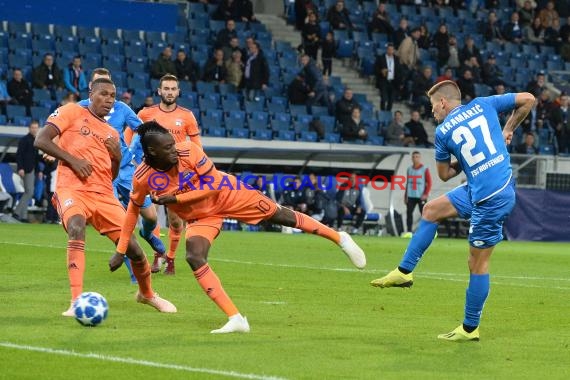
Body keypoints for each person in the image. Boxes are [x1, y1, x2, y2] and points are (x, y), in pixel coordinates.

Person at [109, 121, 366, 333]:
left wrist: (175, 199)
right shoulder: (143, 176)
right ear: (152, 152)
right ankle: (236, 319)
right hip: (201, 219)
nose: (174, 149)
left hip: (229, 194)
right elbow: (132, 211)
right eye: (167, 147)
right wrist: (121, 250)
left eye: (173, 143)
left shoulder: (189, 150)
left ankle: (339, 237)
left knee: (281, 216)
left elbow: (212, 185)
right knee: (194, 256)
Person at [371, 80, 535, 342]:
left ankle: (470, 329)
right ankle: (404, 272)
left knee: (477, 263)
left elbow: (445, 174)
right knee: (431, 210)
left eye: (433, 105)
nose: (432, 111)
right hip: (485, 187)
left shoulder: (443, 131)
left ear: (444, 102)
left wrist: (462, 160)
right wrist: (508, 129)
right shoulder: (484, 103)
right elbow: (528, 98)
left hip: (490, 198)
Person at [34, 78, 177, 316]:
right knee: (77, 227)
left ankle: (147, 294)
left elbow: (109, 176)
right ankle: (76, 300)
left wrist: (117, 158)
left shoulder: (111, 133)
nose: (108, 99)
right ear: (91, 93)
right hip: (72, 189)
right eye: (103, 94)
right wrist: (73, 160)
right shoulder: (71, 111)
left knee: (134, 251)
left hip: (103, 195)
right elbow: (41, 139)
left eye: (112, 95)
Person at [78, 68, 165, 283]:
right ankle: (135, 272)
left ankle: (148, 235)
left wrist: (142, 149)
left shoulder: (122, 109)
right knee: (120, 223)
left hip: (126, 170)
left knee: (151, 217)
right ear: (91, 88)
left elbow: (142, 129)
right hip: (103, 175)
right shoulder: (79, 109)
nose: (107, 96)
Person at [137, 74, 202, 275]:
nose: (170, 92)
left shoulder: (187, 116)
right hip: (152, 171)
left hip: (177, 173)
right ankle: (158, 255)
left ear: (178, 91)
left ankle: (171, 259)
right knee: (152, 215)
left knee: (175, 220)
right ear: (159, 91)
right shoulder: (146, 114)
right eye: (166, 88)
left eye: (173, 89)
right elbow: (131, 135)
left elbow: (196, 146)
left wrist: (197, 168)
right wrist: (133, 156)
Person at [13, 120, 41, 222]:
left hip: (32, 169)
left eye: (36, 127)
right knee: (29, 192)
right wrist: (20, 168)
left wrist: (39, 171)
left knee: (28, 192)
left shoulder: (36, 140)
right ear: (29, 128)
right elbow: (19, 155)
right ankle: (17, 212)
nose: (34, 129)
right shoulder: (24, 140)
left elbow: (36, 158)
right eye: (33, 127)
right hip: (26, 169)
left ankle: (23, 216)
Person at [404, 151, 432, 233]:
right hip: (411, 195)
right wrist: (405, 196)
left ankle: (426, 231)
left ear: (420, 158)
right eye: (413, 157)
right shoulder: (409, 169)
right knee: (409, 214)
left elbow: (429, 182)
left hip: (421, 196)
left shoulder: (424, 169)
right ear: (411, 158)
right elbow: (408, 183)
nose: (415, 158)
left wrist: (426, 194)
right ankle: (409, 231)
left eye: (417, 157)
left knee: (424, 214)